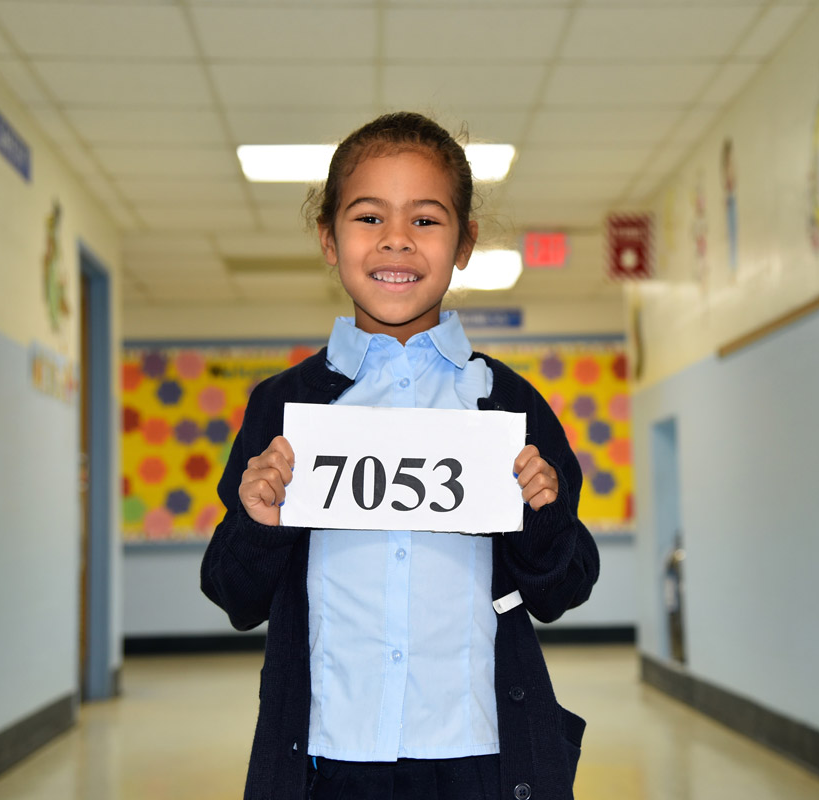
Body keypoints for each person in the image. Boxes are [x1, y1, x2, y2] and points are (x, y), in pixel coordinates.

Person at [201, 111, 600, 800]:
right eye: (367, 218)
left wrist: (543, 512)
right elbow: (233, 594)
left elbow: (564, 588)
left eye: (425, 220)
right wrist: (259, 521)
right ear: (328, 238)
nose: (395, 241)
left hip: (480, 755)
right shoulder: (285, 407)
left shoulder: (509, 404)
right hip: (327, 759)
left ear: (465, 241)